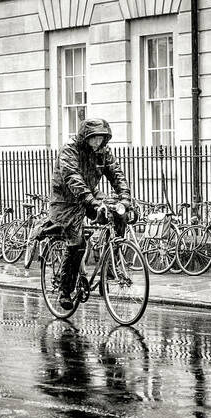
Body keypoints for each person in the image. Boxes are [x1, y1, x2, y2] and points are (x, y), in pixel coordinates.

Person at [48, 118, 131, 310]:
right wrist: (93, 203)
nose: (97, 142)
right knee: (76, 243)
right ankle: (65, 290)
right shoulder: (70, 150)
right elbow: (73, 178)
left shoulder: (103, 152)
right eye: (94, 138)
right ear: (85, 137)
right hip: (65, 200)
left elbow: (116, 174)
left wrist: (125, 198)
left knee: (118, 213)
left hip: (90, 194)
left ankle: (109, 273)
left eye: (101, 138)